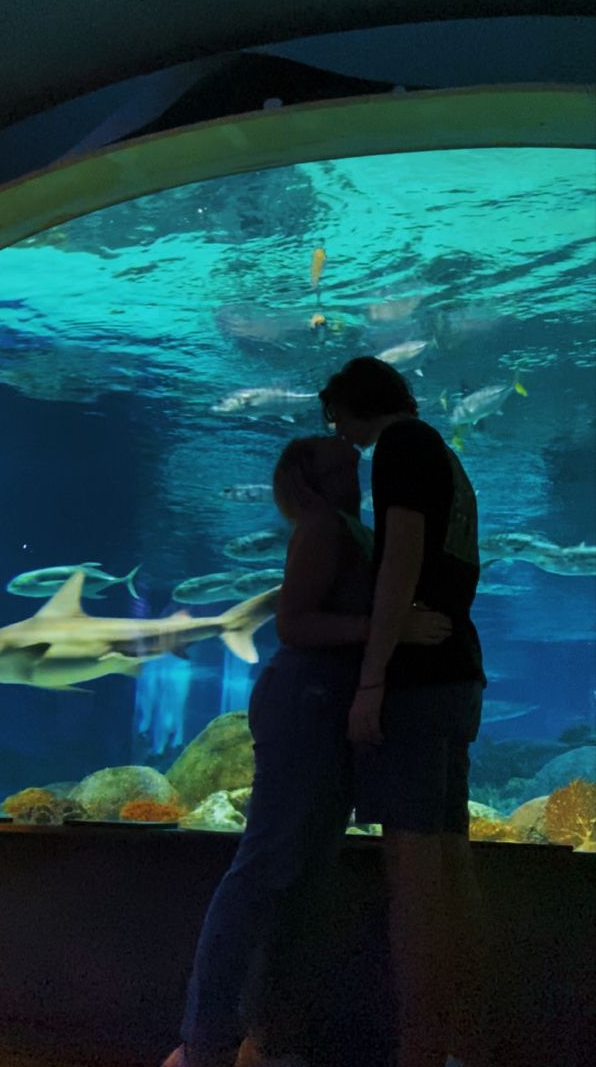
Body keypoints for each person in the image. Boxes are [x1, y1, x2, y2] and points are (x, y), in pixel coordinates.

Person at [162, 434, 451, 1067]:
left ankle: (265, 1038)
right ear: (310, 478)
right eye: (336, 458)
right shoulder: (323, 527)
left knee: (302, 875)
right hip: (303, 702)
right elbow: (294, 623)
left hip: (324, 705)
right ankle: (201, 1041)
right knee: (264, 867)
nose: (352, 457)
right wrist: (390, 627)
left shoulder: (351, 525)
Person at [318, 357, 487, 1067]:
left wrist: (372, 679)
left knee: (413, 878)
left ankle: (418, 1051)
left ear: (359, 410)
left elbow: (401, 561)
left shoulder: (400, 447)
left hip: (418, 685)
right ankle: (465, 1042)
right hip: (458, 676)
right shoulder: (443, 452)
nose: (344, 443)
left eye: (340, 425)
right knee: (450, 867)